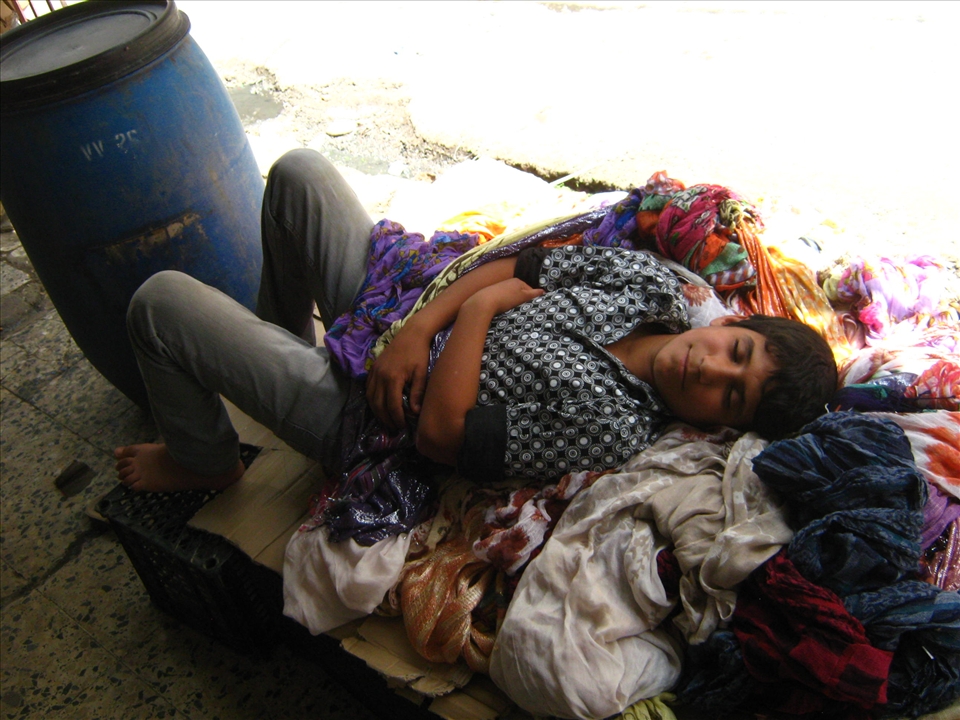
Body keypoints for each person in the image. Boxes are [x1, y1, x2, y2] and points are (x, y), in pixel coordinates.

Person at [114, 149, 838, 492]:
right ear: (730, 327)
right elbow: (512, 269)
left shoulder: (616, 424)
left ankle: (205, 462)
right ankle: (287, 344)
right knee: (301, 174)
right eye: (736, 352)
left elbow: (440, 434)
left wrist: (473, 317)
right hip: (402, 324)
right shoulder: (651, 283)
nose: (710, 367)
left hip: (372, 414)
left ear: (719, 425)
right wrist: (420, 325)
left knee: (159, 304)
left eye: (730, 394)